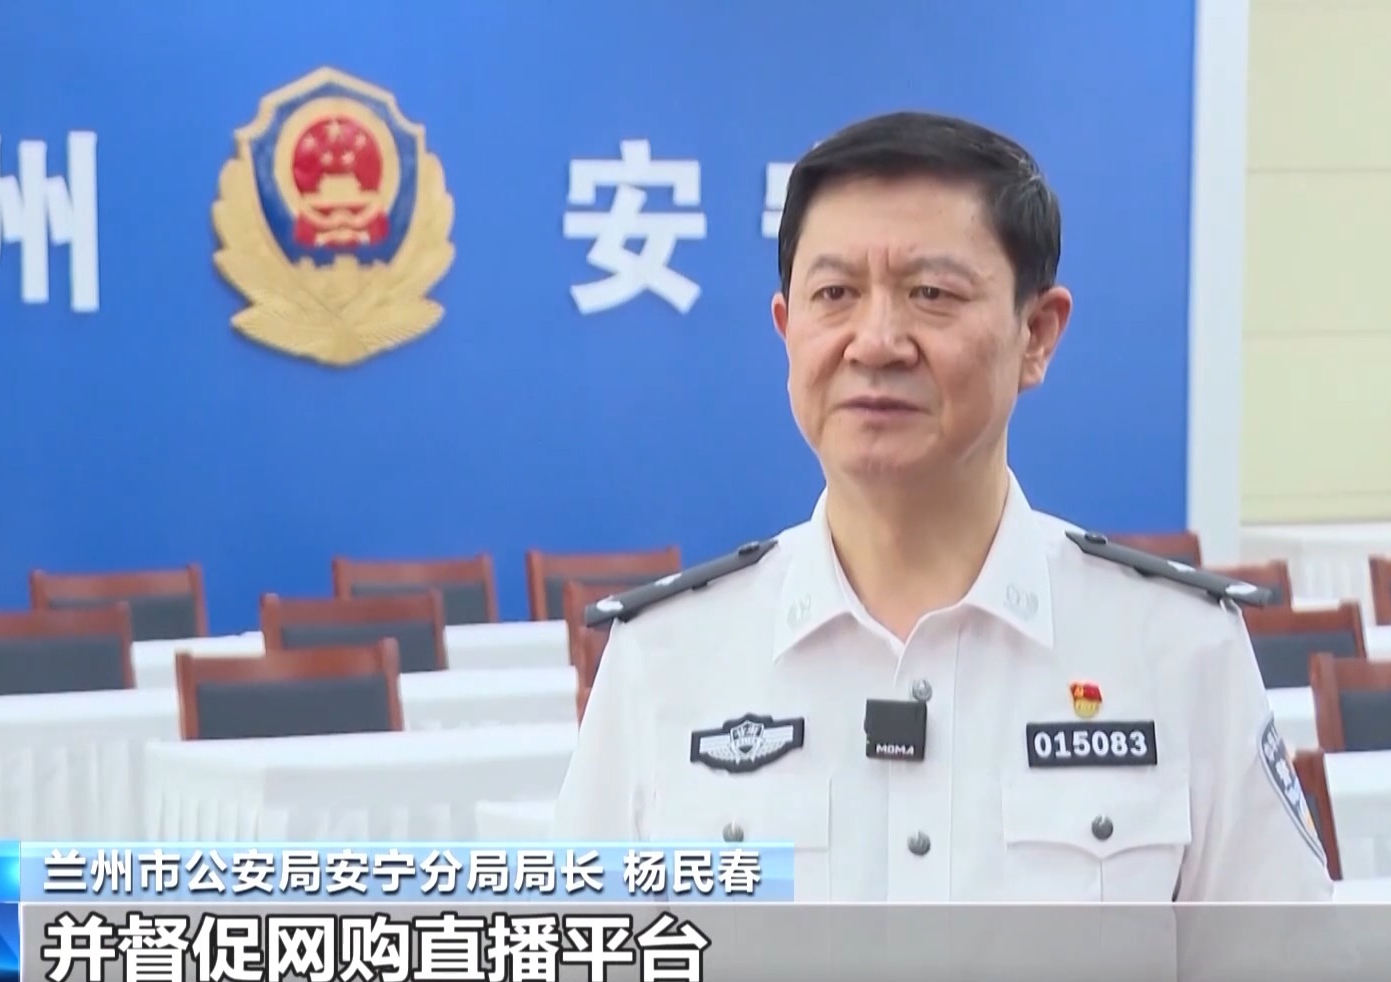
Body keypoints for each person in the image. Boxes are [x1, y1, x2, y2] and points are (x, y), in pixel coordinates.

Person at [553, 111, 1334, 905]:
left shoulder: (1179, 648)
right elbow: (580, 947)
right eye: (835, 294)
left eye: (930, 294)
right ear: (787, 329)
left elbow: (1285, 954)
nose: (875, 342)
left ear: (1037, 335)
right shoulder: (666, 658)